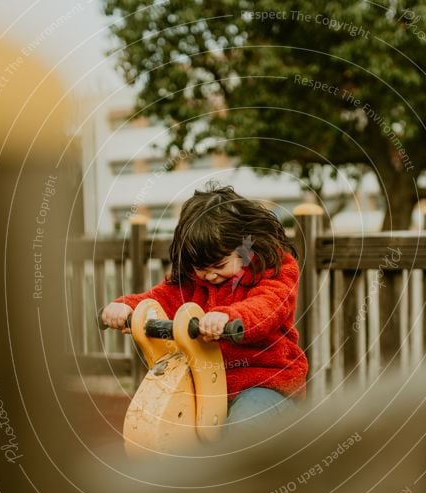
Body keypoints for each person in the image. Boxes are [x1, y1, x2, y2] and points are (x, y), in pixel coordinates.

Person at [100, 184, 308, 435]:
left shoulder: (275, 270)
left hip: (265, 383)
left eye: (219, 265)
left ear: (245, 245)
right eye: (200, 268)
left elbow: (268, 306)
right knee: (165, 427)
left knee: (242, 430)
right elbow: (161, 297)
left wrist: (231, 317)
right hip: (205, 385)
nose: (209, 275)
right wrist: (127, 307)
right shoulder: (193, 280)